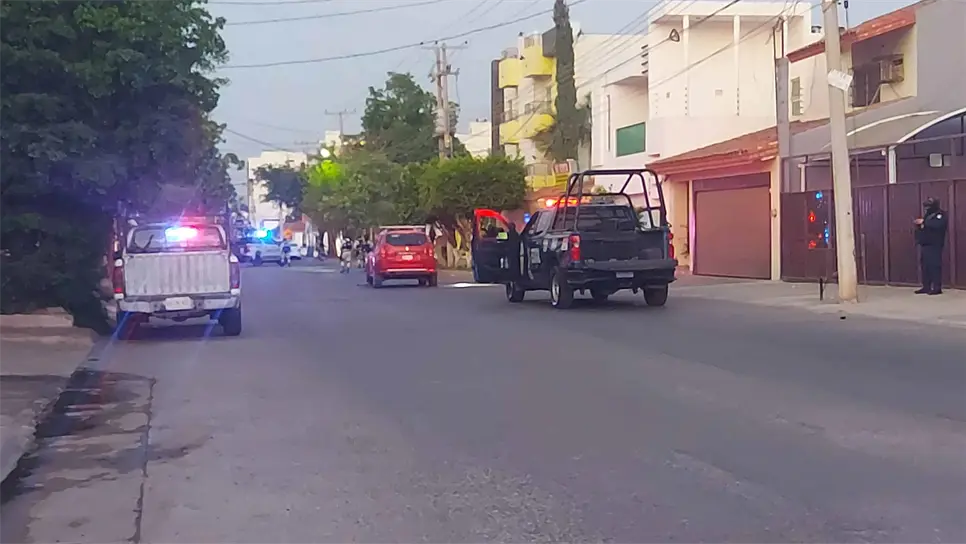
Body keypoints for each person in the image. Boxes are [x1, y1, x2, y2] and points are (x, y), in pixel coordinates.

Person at [914, 197, 948, 295]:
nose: (927, 208)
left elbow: (937, 225)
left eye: (929, 206)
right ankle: (926, 287)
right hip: (925, 244)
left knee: (934, 266)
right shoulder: (928, 215)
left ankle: (937, 288)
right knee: (925, 266)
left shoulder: (941, 215)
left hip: (935, 245)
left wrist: (924, 222)